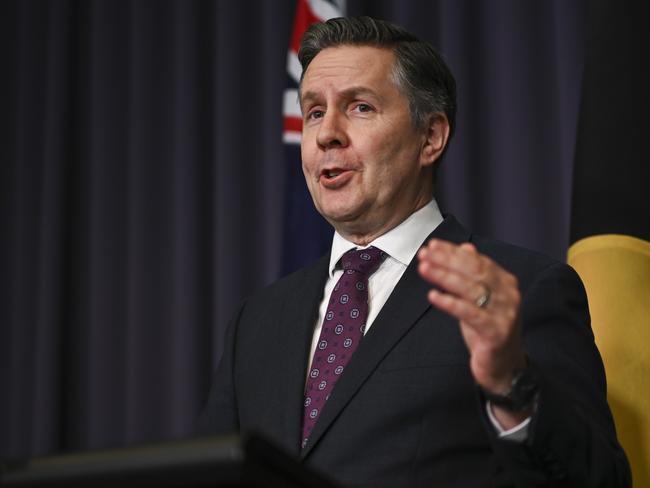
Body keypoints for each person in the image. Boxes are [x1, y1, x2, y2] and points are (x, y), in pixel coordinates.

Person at [199, 16, 630, 487]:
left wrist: (512, 384)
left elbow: (600, 479)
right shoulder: (257, 321)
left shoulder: (521, 289)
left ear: (431, 138)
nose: (327, 134)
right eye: (314, 112)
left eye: (359, 107)